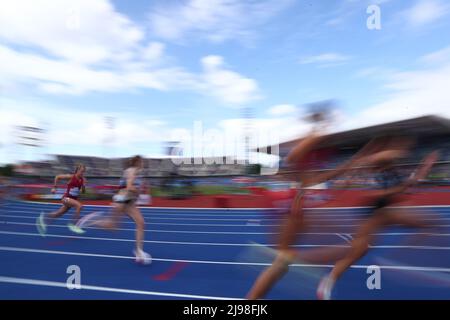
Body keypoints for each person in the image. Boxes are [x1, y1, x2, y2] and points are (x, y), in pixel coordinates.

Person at [246, 117, 375, 300]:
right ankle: (321, 276)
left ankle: (324, 277)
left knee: (361, 245)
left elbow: (337, 171)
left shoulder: (317, 171)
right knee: (283, 260)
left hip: (302, 200)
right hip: (293, 201)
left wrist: (360, 156)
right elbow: (294, 158)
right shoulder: (303, 157)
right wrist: (319, 131)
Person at [316, 137, 439, 300]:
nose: (400, 152)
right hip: (375, 214)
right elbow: (375, 191)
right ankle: (328, 281)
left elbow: (410, 183)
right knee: (358, 252)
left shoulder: (394, 172)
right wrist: (397, 152)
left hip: (387, 212)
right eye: (397, 148)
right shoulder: (377, 168)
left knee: (429, 223)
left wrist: (426, 166)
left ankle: (401, 255)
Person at [78, 155, 152, 265]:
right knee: (112, 227)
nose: (143, 164)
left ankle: (138, 251)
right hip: (122, 200)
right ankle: (91, 220)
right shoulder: (131, 170)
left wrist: (138, 194)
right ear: (137, 162)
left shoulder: (136, 173)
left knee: (141, 223)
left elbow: (131, 187)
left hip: (129, 202)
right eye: (141, 162)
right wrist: (138, 193)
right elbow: (129, 186)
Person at [36, 164, 87, 235]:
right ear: (77, 171)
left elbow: (83, 192)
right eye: (81, 171)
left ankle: (43, 218)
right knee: (79, 206)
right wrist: (54, 187)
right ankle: (74, 225)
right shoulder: (71, 176)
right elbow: (57, 177)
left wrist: (84, 185)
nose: (82, 173)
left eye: (84, 172)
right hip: (65, 198)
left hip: (71, 200)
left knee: (57, 214)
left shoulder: (82, 180)